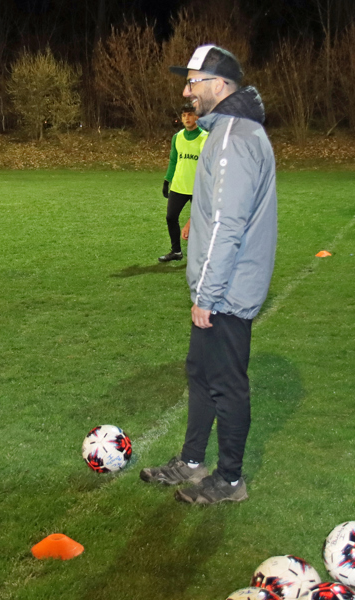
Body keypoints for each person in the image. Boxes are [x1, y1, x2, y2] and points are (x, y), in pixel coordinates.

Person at [140, 45, 277, 505]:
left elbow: (229, 224)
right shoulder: (232, 132)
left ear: (219, 85)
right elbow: (220, 210)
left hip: (227, 289)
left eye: (193, 82)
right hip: (224, 283)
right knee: (200, 373)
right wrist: (198, 218)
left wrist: (207, 295)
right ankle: (193, 460)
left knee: (226, 383)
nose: (186, 91)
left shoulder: (233, 136)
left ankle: (231, 479)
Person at [159, 103, 208, 263]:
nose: (187, 118)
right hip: (179, 186)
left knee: (200, 223)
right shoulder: (177, 137)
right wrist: (167, 180)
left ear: (197, 116)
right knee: (171, 217)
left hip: (198, 188)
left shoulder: (205, 137)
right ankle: (176, 251)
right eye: (184, 115)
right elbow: (174, 160)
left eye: (190, 114)